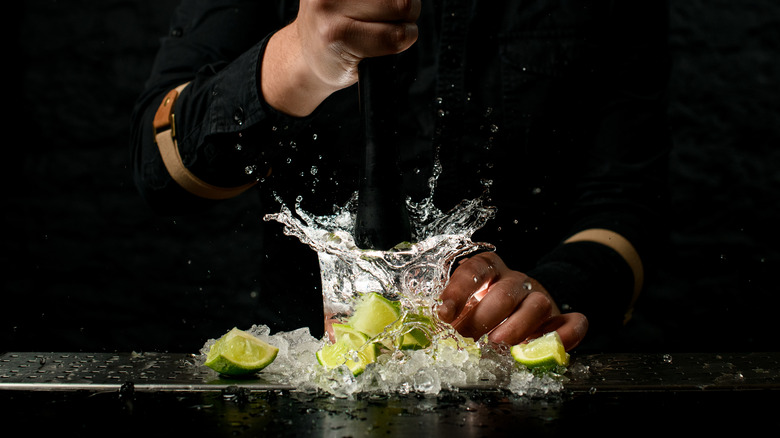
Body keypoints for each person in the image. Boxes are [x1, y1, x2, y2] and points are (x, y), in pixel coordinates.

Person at [131, 0, 671, 352]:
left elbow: (626, 200)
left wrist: (554, 291)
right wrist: (297, 58)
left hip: (524, 389)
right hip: (314, 381)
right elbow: (160, 171)